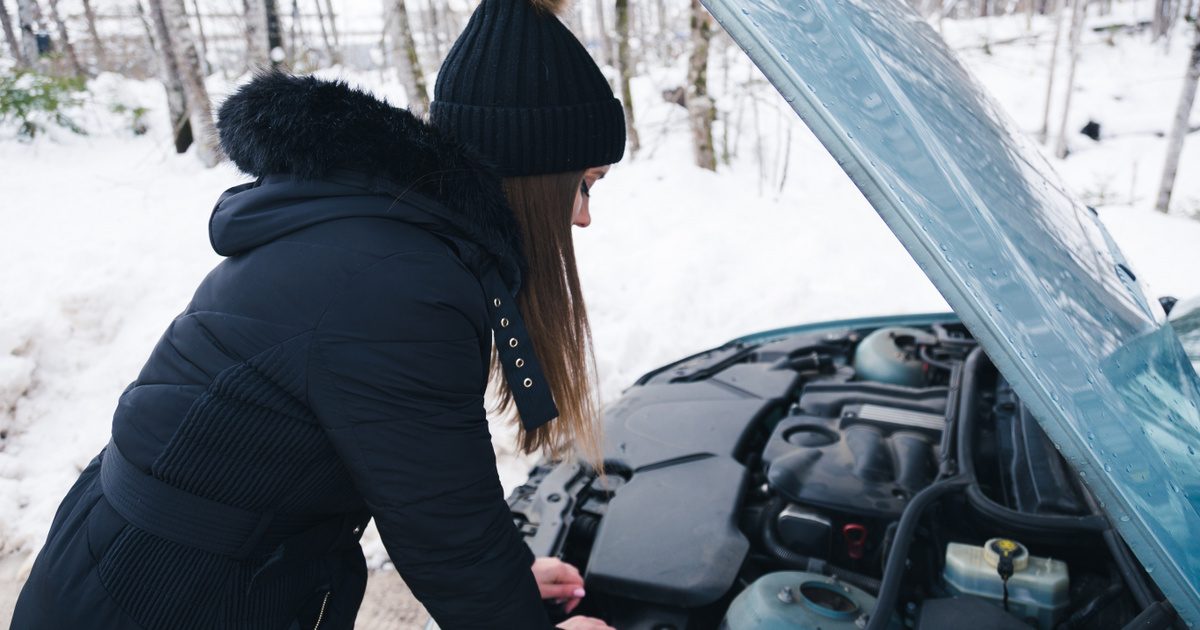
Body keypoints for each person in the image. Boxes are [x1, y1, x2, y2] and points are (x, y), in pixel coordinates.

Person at [10, 0, 625, 627]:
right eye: (586, 185)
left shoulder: (400, 244)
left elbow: (434, 484)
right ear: (532, 171)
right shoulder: (398, 284)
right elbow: (444, 529)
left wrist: (510, 574)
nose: (583, 217)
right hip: (152, 594)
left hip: (159, 565)